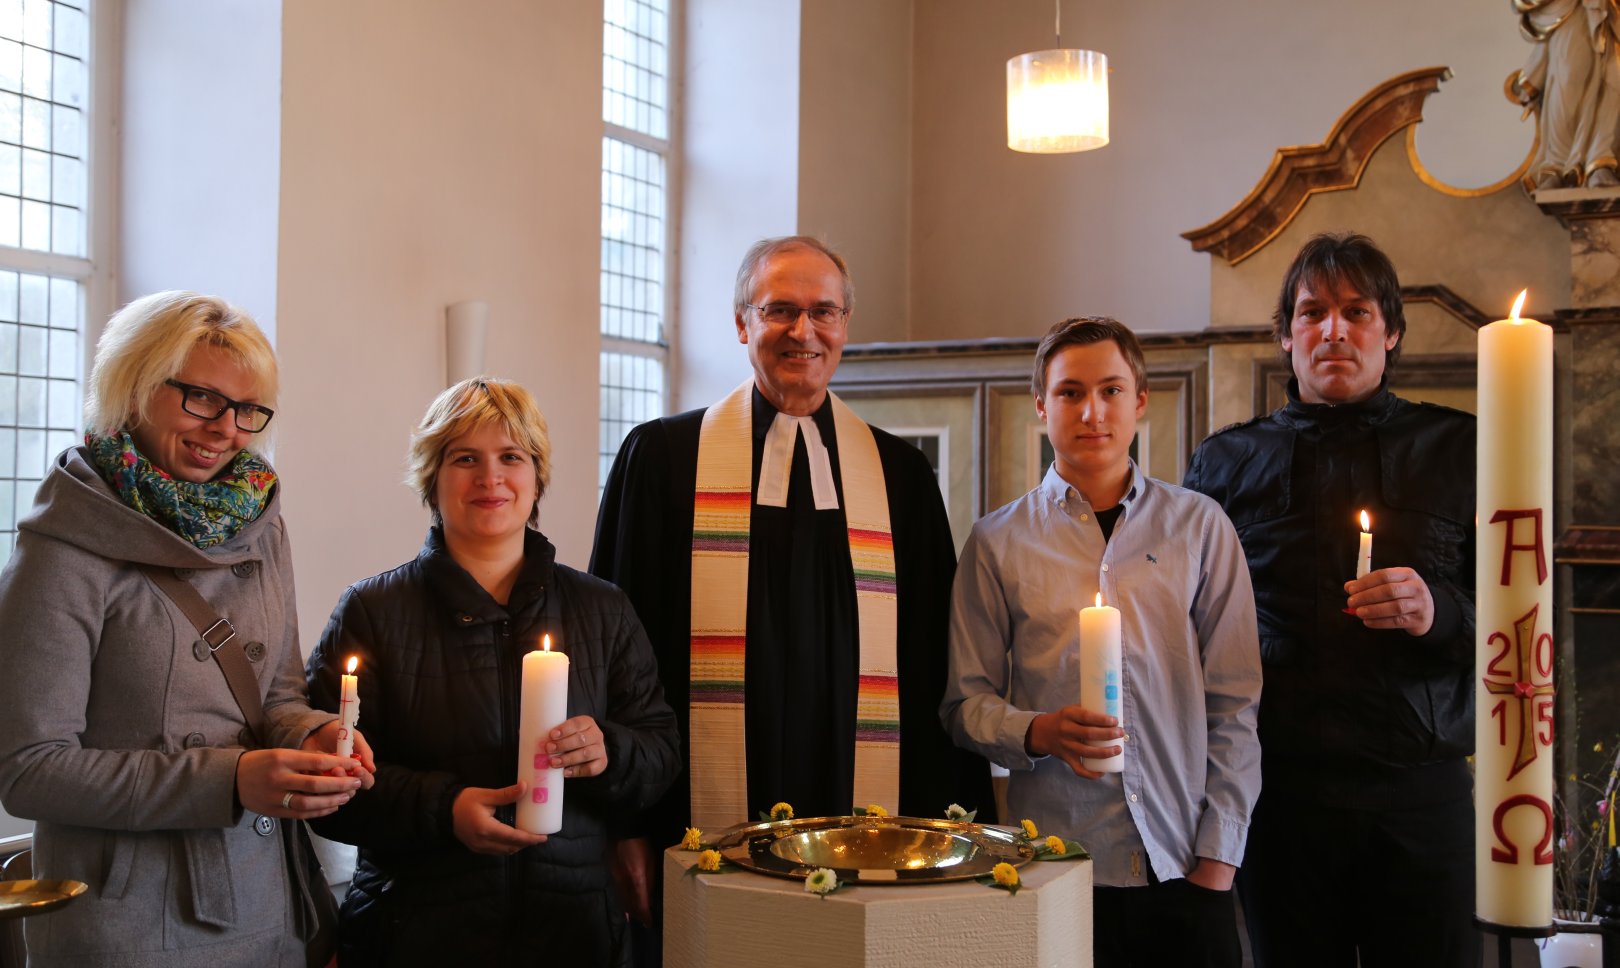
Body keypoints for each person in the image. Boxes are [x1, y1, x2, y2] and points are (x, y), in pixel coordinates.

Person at [591, 236, 989, 936]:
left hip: (868, 808)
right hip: (689, 813)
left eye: (823, 312)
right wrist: (622, 826)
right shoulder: (660, 461)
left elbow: (936, 667)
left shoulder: (901, 477)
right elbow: (615, 666)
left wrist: (947, 832)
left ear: (845, 327)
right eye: (780, 309)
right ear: (742, 323)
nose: (803, 331)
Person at [0, 291, 371, 968]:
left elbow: (277, 697)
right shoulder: (65, 544)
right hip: (130, 927)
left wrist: (311, 733)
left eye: (247, 410)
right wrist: (229, 781)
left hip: (266, 902)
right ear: (135, 385)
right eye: (201, 398)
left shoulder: (259, 521)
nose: (226, 428)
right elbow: (29, 771)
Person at [306, 377, 679, 967]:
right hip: (415, 934)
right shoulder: (372, 612)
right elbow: (328, 790)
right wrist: (444, 809)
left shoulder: (603, 609)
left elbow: (660, 754)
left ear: (537, 476)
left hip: (573, 934)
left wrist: (608, 750)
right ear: (432, 476)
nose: (490, 478)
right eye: (465, 459)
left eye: (511, 457)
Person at [1184, 232, 1478, 968]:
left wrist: (1435, 611)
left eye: (1357, 311)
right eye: (1313, 313)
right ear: (1286, 336)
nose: (1334, 330)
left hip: (1420, 794)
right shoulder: (1226, 461)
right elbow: (1185, 630)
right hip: (1284, 796)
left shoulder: (1462, 449)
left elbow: (1519, 622)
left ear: (1392, 332)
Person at [942, 317, 1261, 968]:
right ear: (1041, 406)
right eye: (1069, 393)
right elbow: (963, 704)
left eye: (1112, 390)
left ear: (1140, 401)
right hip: (1056, 864)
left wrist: (1219, 856)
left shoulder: (1200, 527)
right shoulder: (998, 542)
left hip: (1181, 862)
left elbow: (1235, 700)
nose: (1092, 411)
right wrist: (1039, 731)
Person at [1511, 0, 1620, 188]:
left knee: (1616, 77)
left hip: (1613, 1)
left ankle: (1602, 160)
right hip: (1571, 4)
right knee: (1570, 75)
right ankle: (1555, 167)